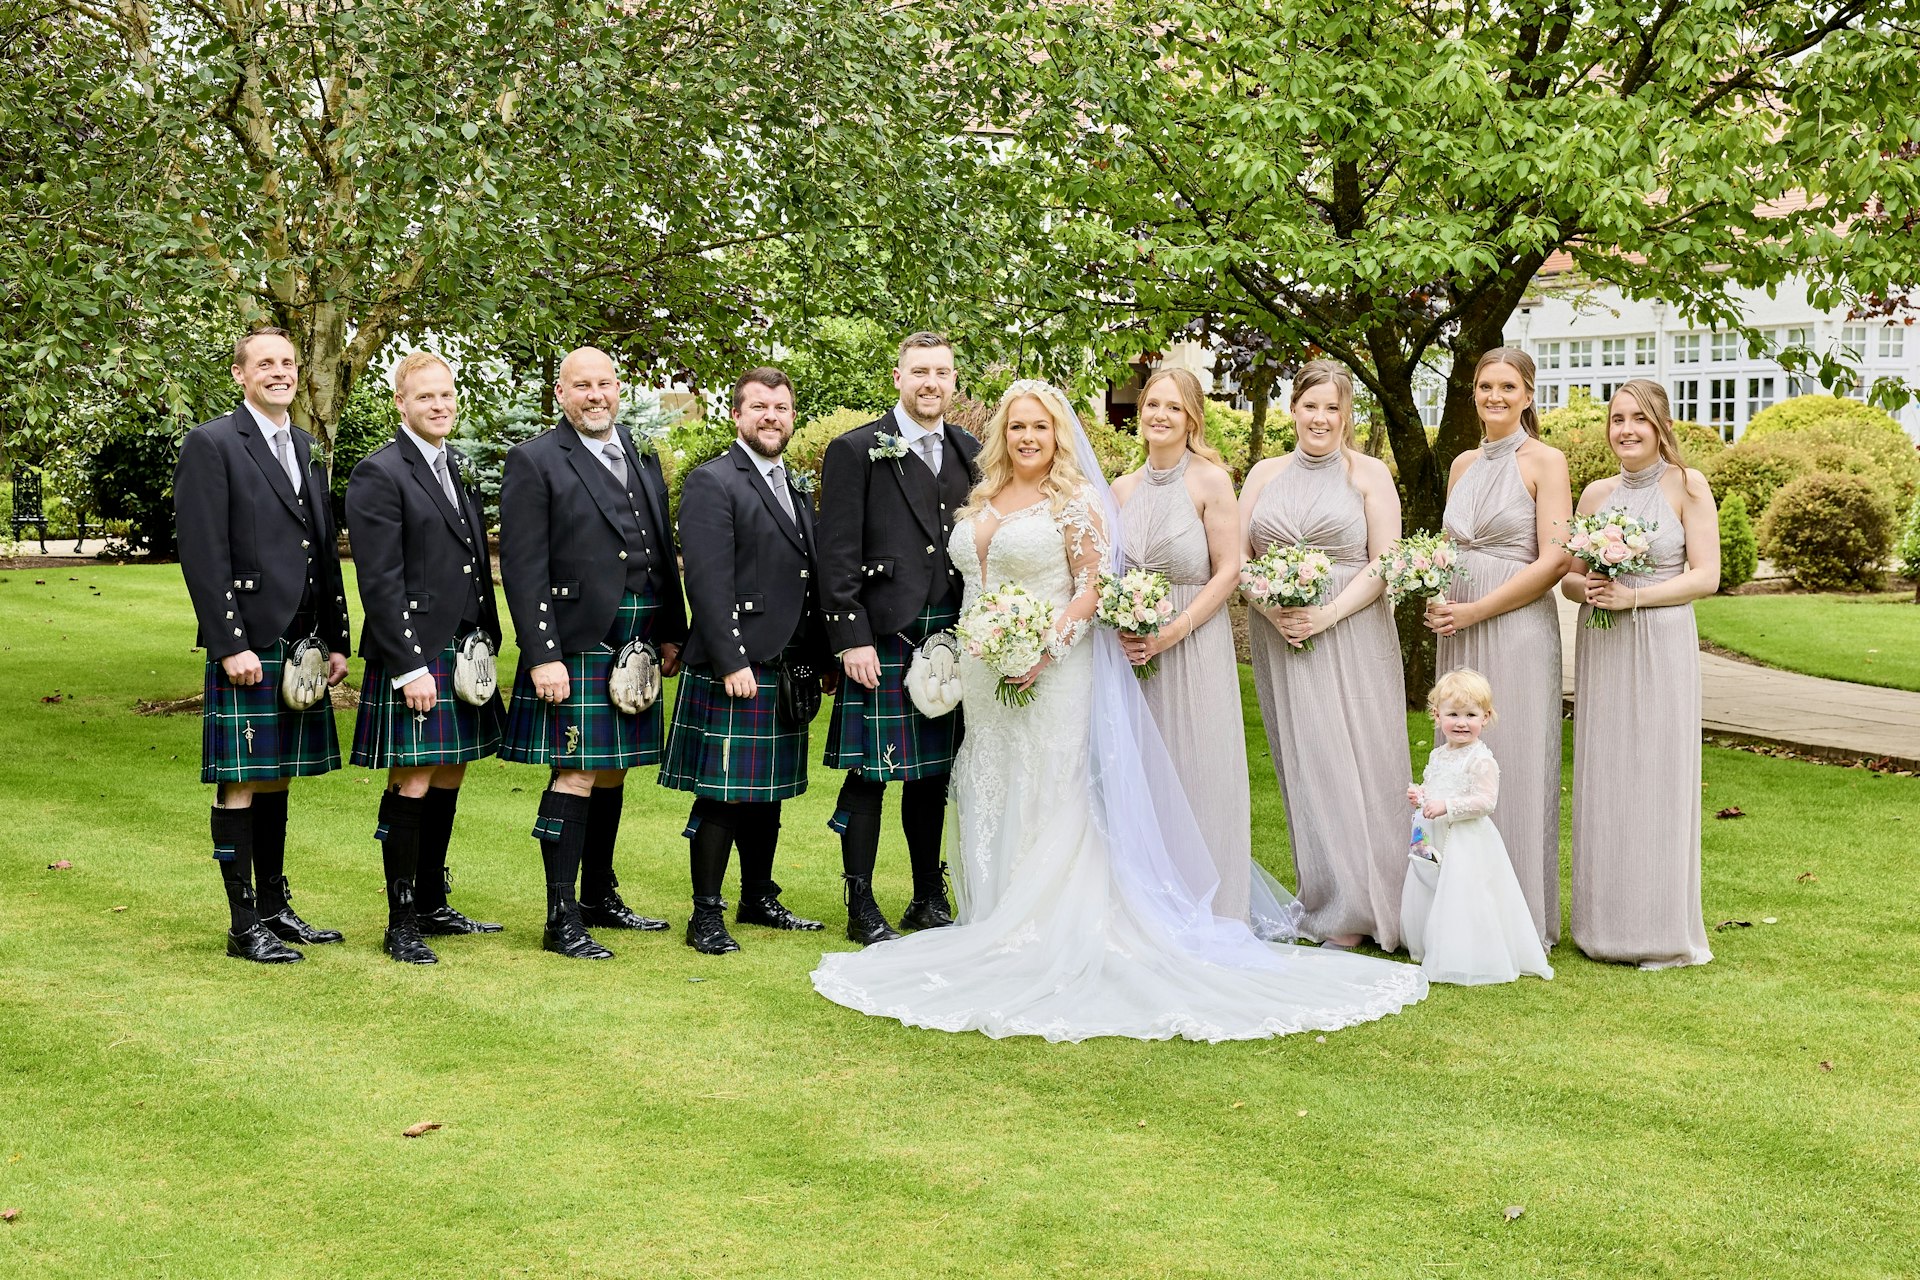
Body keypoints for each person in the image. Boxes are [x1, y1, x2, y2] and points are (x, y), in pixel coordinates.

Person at [810, 380, 1428, 1041]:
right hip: (987, 676)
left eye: (1040, 428)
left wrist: (1044, 648)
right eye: (1016, 427)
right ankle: (995, 919)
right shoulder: (984, 496)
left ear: (1059, 437)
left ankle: (1050, 926)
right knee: (991, 789)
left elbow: (1093, 584)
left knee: (1056, 789)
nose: (1027, 437)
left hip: (1052, 667)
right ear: (1001, 434)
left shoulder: (1079, 501)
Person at [498, 346, 688, 959]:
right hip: (576, 643)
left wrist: (670, 629)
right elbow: (524, 569)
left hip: (636, 639)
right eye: (582, 386)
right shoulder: (534, 460)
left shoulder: (639, 451)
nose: (595, 395)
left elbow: (659, 547)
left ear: (618, 388)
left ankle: (599, 895)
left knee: (613, 768)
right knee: (576, 771)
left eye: (605, 384)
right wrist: (542, 654)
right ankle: (560, 916)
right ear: (561, 393)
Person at [174, 325, 351, 963]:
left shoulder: (304, 446)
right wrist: (229, 643)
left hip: (301, 638)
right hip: (250, 638)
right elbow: (202, 550)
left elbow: (322, 546)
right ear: (240, 374)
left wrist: (335, 636)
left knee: (277, 777)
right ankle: (242, 921)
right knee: (242, 780)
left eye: (288, 363)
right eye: (266, 363)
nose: (280, 372)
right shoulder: (214, 443)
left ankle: (276, 907)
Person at [1239, 361, 1412, 951]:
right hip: (1280, 633)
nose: (1320, 418)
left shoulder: (1369, 475)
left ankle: (1366, 904)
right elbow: (1239, 558)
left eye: (1333, 408)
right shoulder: (1263, 474)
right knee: (1306, 764)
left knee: (1360, 758)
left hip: (1350, 629)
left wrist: (1325, 615)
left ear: (1347, 416)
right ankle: (1327, 899)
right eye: (1311, 406)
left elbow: (1385, 563)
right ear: (1293, 409)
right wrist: (1274, 612)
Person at [659, 368, 831, 955]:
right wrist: (732, 660)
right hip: (738, 662)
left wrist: (821, 654)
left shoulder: (792, 483)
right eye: (759, 407)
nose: (771, 417)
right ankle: (705, 914)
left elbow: (806, 579)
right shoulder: (714, 481)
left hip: (786, 662)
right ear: (737, 415)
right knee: (723, 793)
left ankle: (758, 896)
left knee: (769, 790)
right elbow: (708, 582)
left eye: (781, 408)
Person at [817, 333, 980, 943]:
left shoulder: (970, 450)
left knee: (932, 773)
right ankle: (860, 902)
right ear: (898, 378)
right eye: (919, 372)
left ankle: (925, 896)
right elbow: (835, 554)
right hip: (883, 633)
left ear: (954, 381)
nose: (930, 382)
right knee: (869, 772)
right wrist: (850, 636)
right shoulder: (856, 449)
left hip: (952, 633)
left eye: (941, 372)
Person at [345, 351, 506, 965]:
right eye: (425, 398)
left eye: (446, 396)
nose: (439, 406)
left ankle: (435, 904)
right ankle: (402, 919)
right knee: (412, 778)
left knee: (451, 770)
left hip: (462, 646)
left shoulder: (451, 465)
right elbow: (379, 582)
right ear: (401, 404)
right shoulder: (379, 472)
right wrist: (410, 665)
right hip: (416, 649)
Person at [1562, 380, 1719, 969]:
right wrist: (1594, 587)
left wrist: (1636, 598)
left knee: (1656, 770)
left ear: (1661, 426)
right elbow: (1570, 578)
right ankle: (1603, 925)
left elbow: (1705, 576)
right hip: (1603, 644)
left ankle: (1657, 930)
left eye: (1638, 419)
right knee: (1607, 771)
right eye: (1616, 419)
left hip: (1661, 640)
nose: (1625, 429)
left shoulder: (1687, 485)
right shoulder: (1596, 493)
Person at [1423, 348, 1573, 947]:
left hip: (1514, 626)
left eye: (1507, 386)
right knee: (1457, 763)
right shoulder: (1460, 464)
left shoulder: (1546, 461)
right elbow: (1445, 546)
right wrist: (1434, 592)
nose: (1495, 396)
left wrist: (1476, 610)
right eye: (1485, 386)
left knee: (1513, 759)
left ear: (1529, 394)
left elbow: (1557, 559)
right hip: (1456, 625)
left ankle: (1518, 918)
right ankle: (1458, 915)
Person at [1109, 368, 1256, 923]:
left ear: (1191, 417)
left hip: (1195, 642)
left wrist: (1174, 629)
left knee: (1201, 767)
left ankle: (1212, 907)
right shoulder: (1121, 489)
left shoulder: (1212, 481)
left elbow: (1229, 570)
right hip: (1133, 650)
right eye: (1151, 405)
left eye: (1172, 407)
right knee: (1143, 771)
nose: (1159, 416)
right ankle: (1147, 904)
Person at [1399, 670, 1555, 985]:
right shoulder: (1439, 754)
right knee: (1430, 884)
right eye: (1453, 714)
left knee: (1463, 892)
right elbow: (1436, 785)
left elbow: (1486, 801)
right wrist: (1422, 795)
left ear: (1485, 717)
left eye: (1470, 715)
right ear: (1436, 715)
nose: (1461, 722)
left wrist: (1448, 807)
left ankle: (1466, 951)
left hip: (1465, 839)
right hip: (1431, 833)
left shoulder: (1481, 761)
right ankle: (1435, 943)